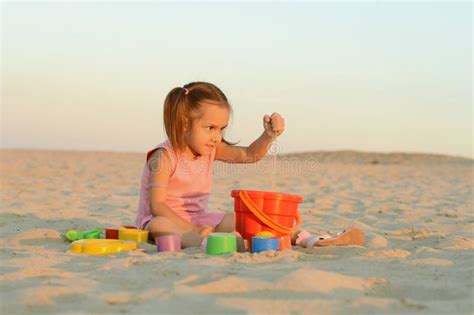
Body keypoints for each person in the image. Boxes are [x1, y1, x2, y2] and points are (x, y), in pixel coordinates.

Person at [135, 81, 285, 248]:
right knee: (160, 225)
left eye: (221, 129)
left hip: (199, 219)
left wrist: (268, 136)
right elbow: (157, 205)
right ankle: (206, 244)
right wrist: (192, 229)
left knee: (238, 219)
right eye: (210, 128)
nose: (217, 137)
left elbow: (249, 154)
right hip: (166, 220)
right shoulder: (163, 156)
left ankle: (294, 237)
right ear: (184, 124)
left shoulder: (212, 150)